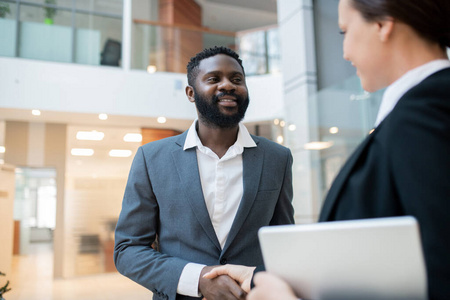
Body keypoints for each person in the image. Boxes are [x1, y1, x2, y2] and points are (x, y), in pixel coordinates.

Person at [204, 0, 450, 299]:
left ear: (383, 25)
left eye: (345, 31)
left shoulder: (425, 117)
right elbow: (389, 266)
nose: (345, 53)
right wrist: (258, 277)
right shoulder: (418, 114)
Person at [113, 46, 295, 300]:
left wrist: (253, 281)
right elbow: (128, 250)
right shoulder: (152, 158)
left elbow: (284, 246)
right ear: (191, 93)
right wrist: (197, 279)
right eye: (213, 79)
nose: (228, 85)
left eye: (236, 79)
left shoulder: (277, 157)